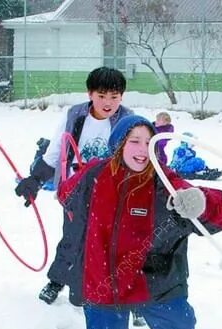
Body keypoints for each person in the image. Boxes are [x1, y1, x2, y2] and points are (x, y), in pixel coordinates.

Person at [56, 115, 222, 329]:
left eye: (149, 142)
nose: (141, 149)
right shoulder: (95, 174)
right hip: (103, 282)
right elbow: (64, 195)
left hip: (157, 280)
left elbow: (221, 214)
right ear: (119, 145)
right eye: (133, 141)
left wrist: (201, 201)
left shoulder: (165, 181)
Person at [14, 67, 133, 305]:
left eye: (114, 96)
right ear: (90, 94)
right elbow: (56, 150)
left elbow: (140, 156)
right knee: (73, 237)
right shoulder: (76, 115)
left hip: (110, 193)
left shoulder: (128, 119)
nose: (108, 102)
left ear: (121, 96)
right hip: (76, 191)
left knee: (108, 243)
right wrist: (35, 180)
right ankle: (57, 280)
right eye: (101, 96)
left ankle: (109, 289)